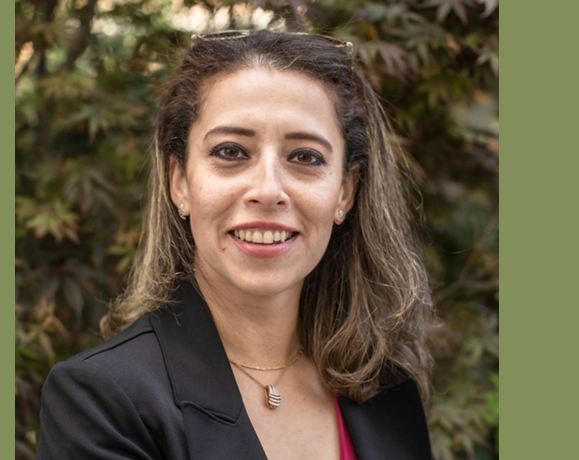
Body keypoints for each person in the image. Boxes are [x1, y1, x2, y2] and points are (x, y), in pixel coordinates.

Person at [37, 29, 436, 460]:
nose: (268, 190)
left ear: (345, 192)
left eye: (305, 156)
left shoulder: (387, 391)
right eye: (230, 152)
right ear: (179, 181)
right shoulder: (104, 400)